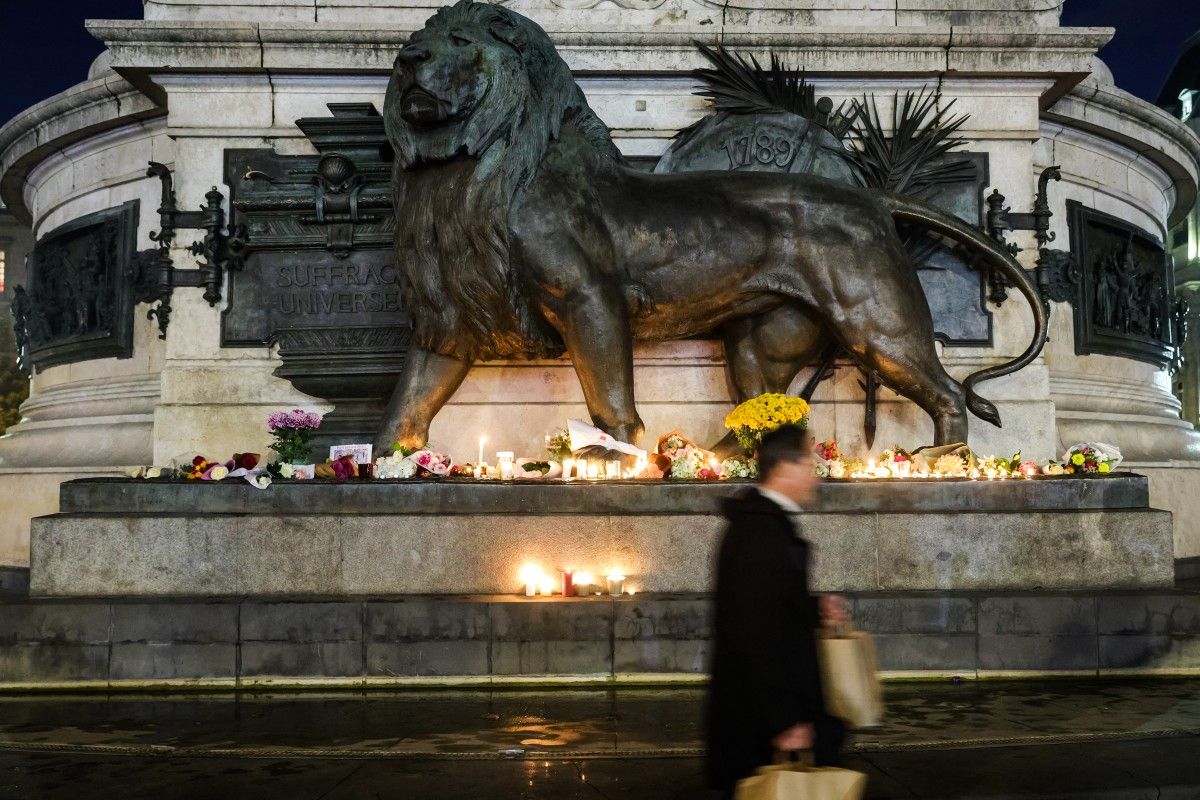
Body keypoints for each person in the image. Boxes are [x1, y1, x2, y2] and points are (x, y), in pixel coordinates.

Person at [705, 424, 848, 796]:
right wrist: (785, 719)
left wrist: (814, 607)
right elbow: (754, 631)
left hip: (760, 711)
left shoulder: (761, 523)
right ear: (784, 467)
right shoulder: (762, 533)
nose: (815, 474)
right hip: (759, 721)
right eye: (808, 463)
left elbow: (769, 605)